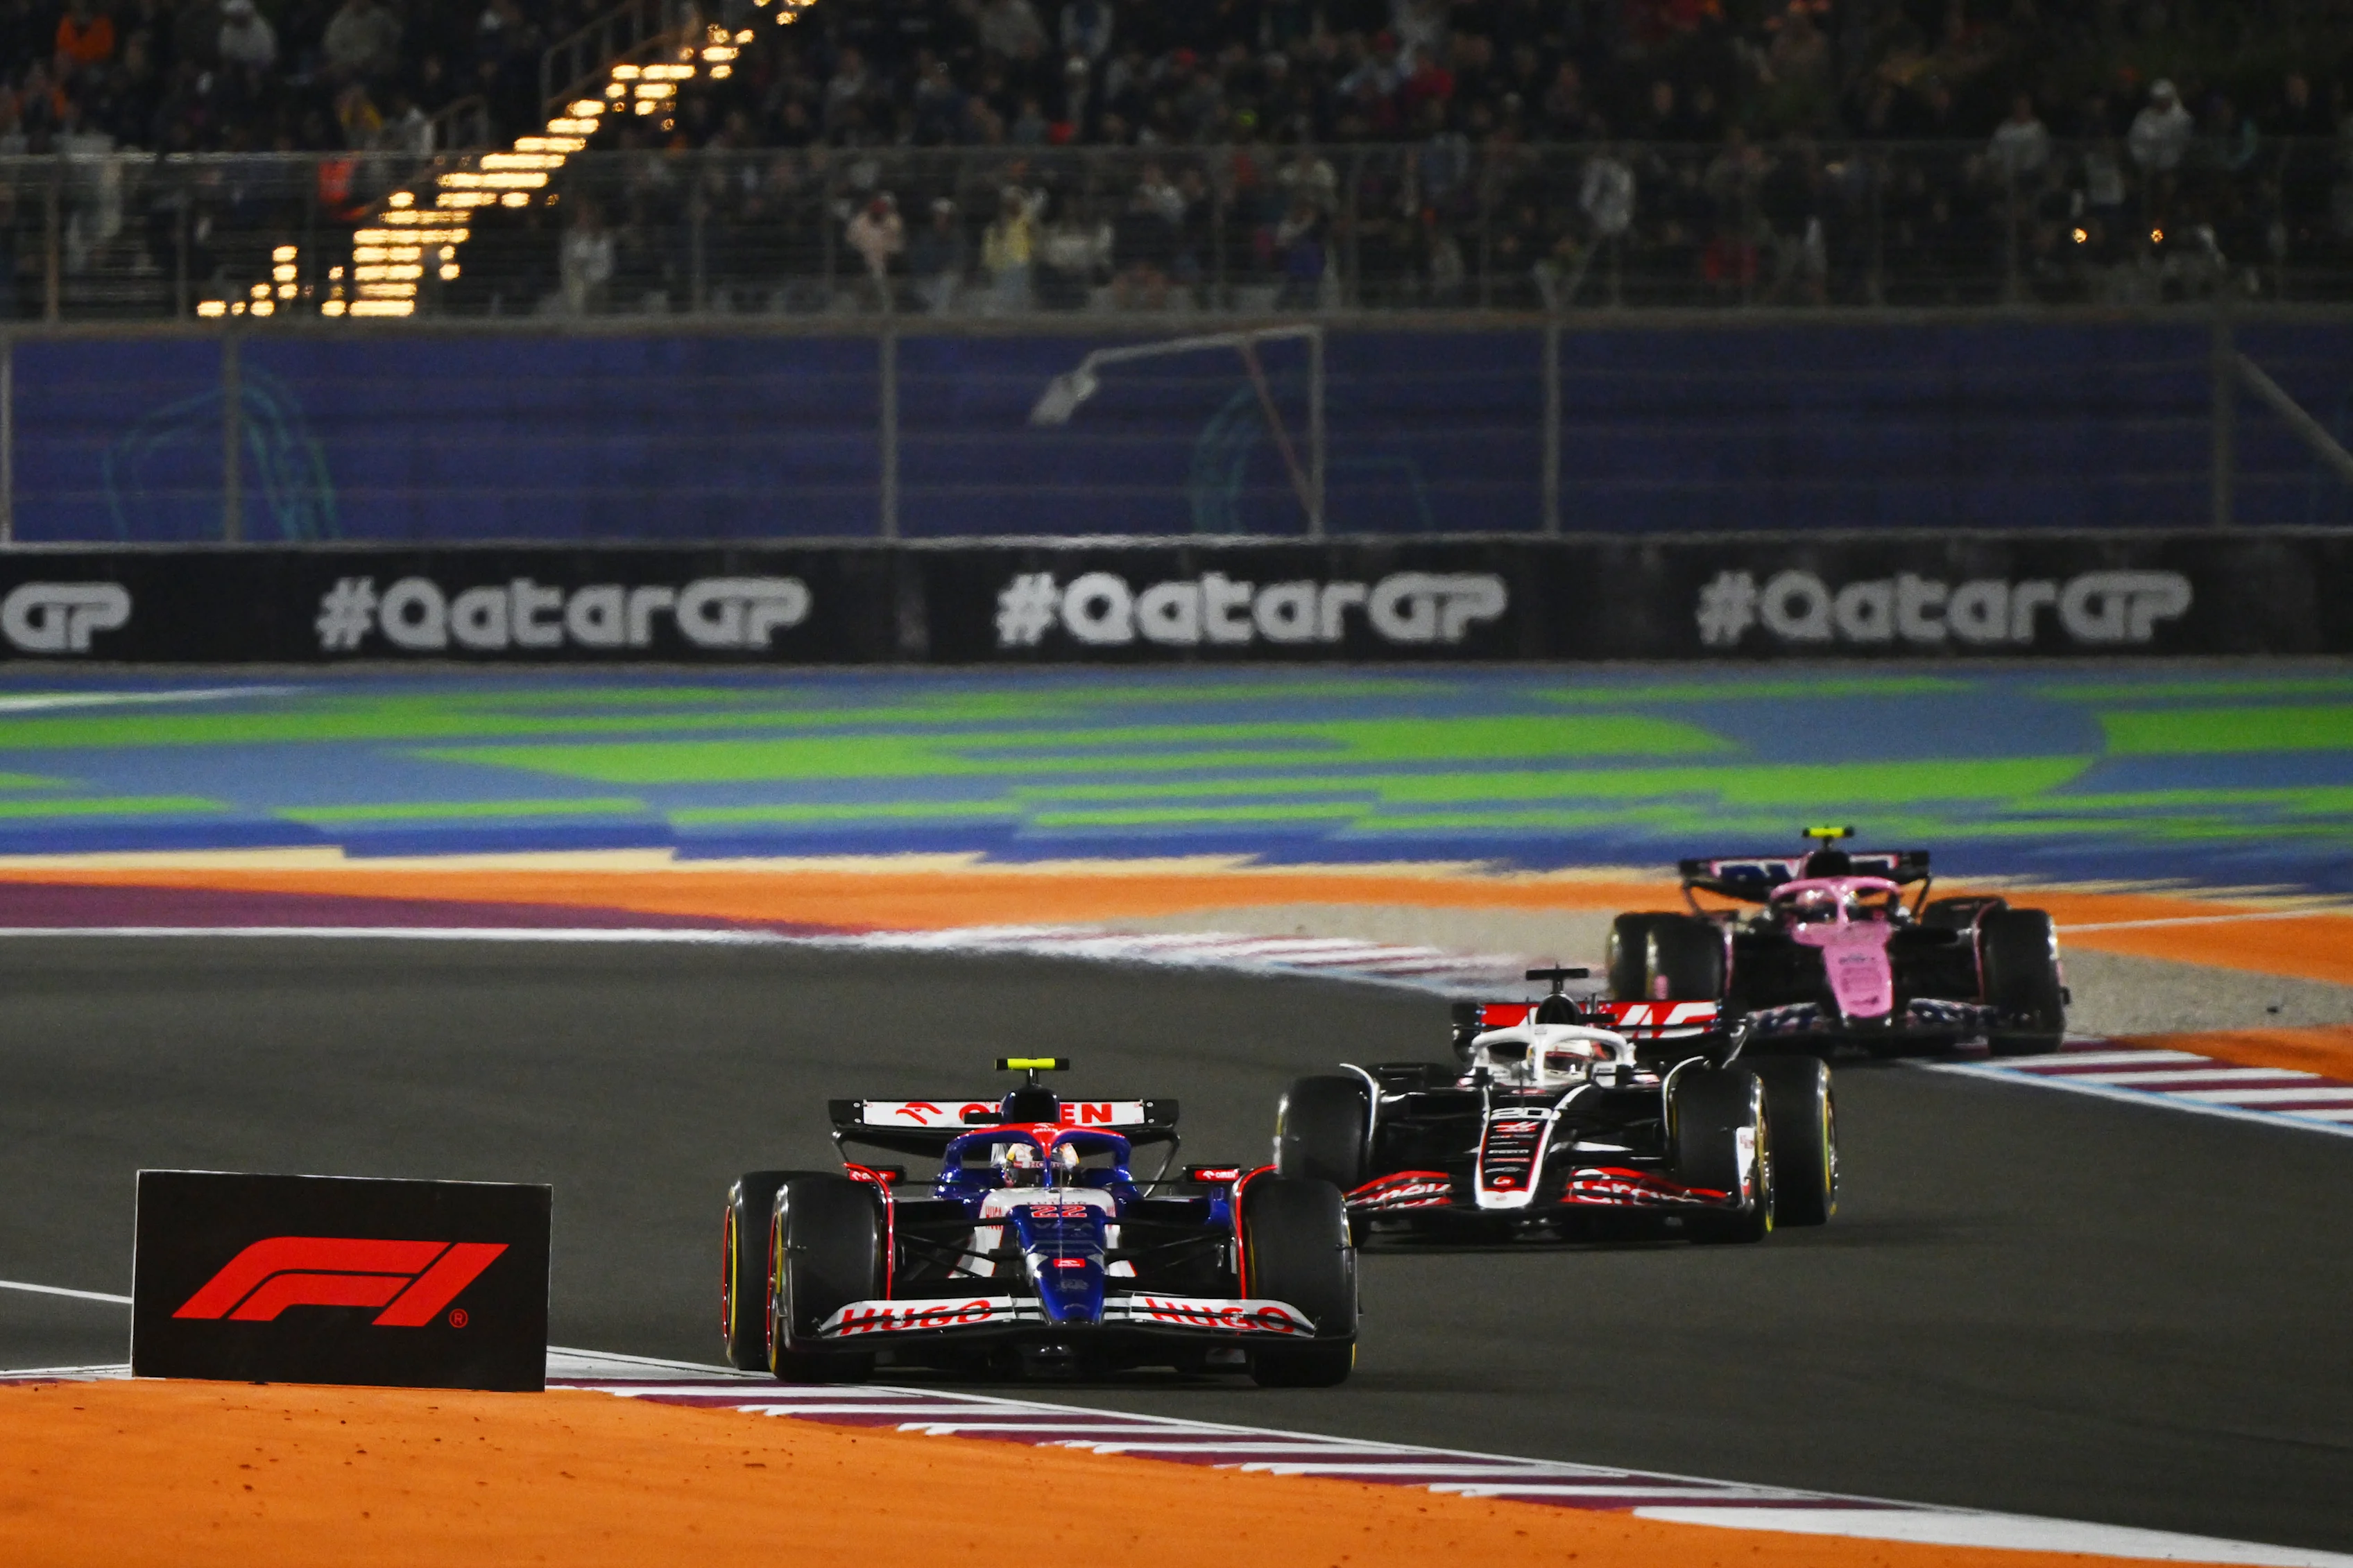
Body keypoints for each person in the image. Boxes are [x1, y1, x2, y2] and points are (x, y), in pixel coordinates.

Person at [845, 191, 904, 309]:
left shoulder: (893, 221)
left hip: (886, 268)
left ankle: (887, 313)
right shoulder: (860, 222)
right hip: (862, 266)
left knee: (882, 281)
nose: (878, 215)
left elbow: (897, 248)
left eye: (881, 212)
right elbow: (851, 244)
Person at [322, 0, 402, 83]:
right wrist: (353, 61)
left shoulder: (380, 16)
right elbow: (332, 47)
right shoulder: (340, 21)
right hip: (349, 65)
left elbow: (396, 37)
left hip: (377, 62)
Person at [2128, 79, 2193, 175]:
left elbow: (2179, 144)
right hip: (2144, 165)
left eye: (2164, 99)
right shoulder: (2144, 115)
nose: (2160, 103)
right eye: (2157, 100)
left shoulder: (2182, 118)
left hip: (2171, 167)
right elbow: (2135, 139)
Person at [216, 0, 277, 71]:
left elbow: (268, 58)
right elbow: (225, 54)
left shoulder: (261, 29)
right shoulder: (227, 29)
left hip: (259, 69)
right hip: (235, 67)